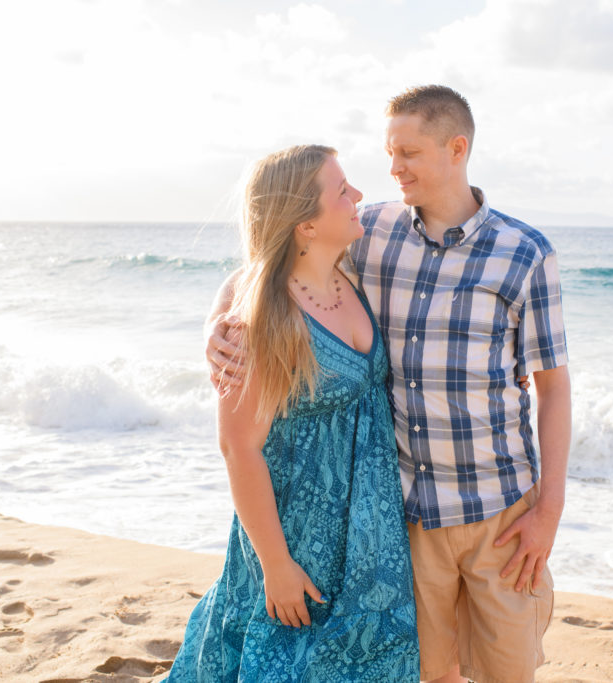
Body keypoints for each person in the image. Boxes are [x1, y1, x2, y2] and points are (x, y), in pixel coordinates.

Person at [207, 86, 571, 683]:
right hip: (407, 520)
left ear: (457, 149)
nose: (392, 169)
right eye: (388, 153)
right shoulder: (370, 230)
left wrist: (549, 509)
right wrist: (216, 326)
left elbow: (553, 388)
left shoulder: (524, 253)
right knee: (422, 673)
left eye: (408, 153)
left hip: (500, 513)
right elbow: (267, 262)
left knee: (509, 674)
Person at [169, 144, 419, 682]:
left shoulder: (351, 273)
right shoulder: (264, 317)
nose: (358, 196)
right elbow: (239, 447)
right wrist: (276, 566)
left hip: (368, 532)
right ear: (306, 224)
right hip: (296, 535)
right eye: (342, 190)